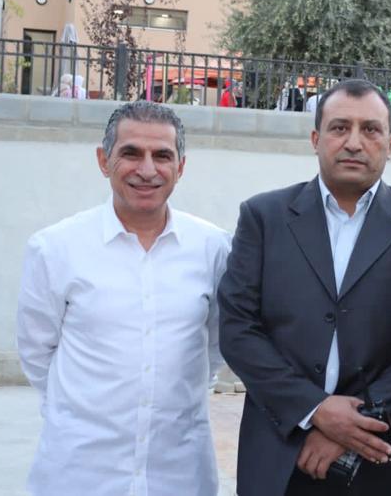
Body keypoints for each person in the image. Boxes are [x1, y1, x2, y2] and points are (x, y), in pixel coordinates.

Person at [218, 78, 391, 496]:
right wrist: (315, 411)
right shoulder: (264, 217)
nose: (354, 143)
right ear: (316, 139)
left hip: (378, 458)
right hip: (278, 453)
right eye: (340, 128)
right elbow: (239, 330)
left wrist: (354, 425)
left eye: (370, 129)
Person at [16, 101, 231, 496]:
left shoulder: (213, 248)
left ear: (181, 167)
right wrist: (78, 412)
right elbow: (36, 351)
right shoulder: (55, 248)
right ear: (104, 161)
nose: (147, 170)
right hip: (79, 473)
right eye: (131, 153)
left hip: (180, 473)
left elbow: (215, 345)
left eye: (162, 156)